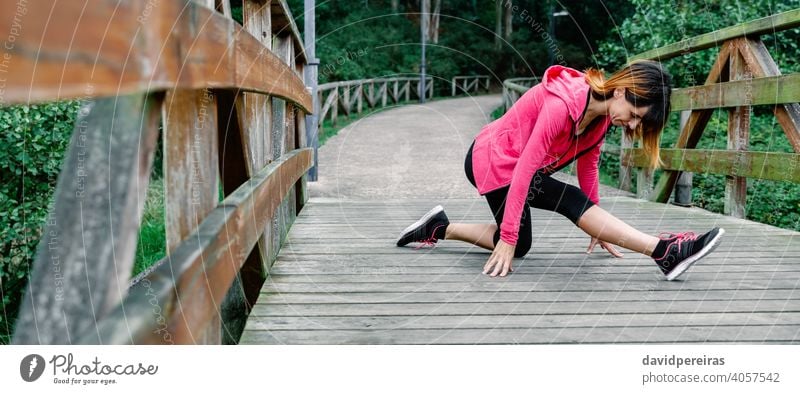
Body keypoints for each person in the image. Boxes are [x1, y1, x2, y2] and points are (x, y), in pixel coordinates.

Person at [396, 60, 724, 280]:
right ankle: (665, 251)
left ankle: (440, 228)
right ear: (622, 91)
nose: (634, 124)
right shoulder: (561, 105)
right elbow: (524, 168)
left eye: (641, 121)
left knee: (526, 240)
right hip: (492, 161)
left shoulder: (600, 120)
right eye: (636, 114)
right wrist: (507, 237)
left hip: (521, 167)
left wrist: (597, 225)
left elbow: (589, 168)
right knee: (521, 235)